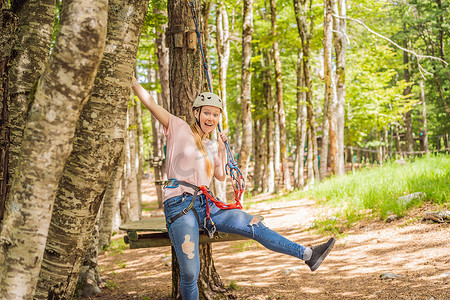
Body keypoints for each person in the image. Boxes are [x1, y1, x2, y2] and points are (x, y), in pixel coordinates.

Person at [132, 77, 335, 300]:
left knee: (254, 224)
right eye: (206, 112)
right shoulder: (178, 127)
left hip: (206, 204)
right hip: (179, 204)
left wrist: (220, 149)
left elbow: (219, 175)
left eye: (215, 114)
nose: (211, 117)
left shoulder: (210, 145)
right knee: (190, 272)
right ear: (197, 114)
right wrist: (132, 82)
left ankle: (307, 254)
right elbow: (150, 102)